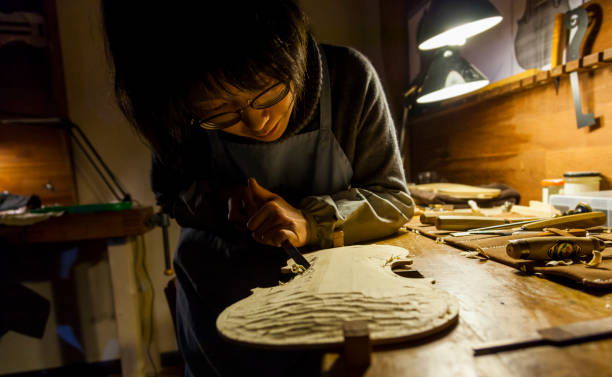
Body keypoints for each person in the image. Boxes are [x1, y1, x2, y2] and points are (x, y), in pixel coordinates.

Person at [101, 1, 414, 376]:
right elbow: (169, 196)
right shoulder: (177, 108)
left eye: (267, 91)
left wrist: (310, 222)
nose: (256, 121)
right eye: (221, 112)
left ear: (291, 55)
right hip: (217, 301)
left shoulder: (347, 77)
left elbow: (393, 199)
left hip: (329, 299)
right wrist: (218, 201)